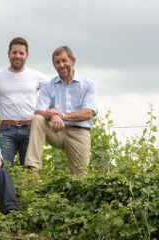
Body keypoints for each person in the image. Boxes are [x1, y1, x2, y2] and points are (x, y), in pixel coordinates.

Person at [25, 46, 97, 176]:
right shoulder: (49, 85)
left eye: (64, 60)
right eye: (57, 62)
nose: (61, 65)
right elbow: (38, 111)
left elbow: (88, 113)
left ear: (73, 61)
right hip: (57, 131)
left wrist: (61, 115)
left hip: (79, 133)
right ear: (54, 65)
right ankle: (32, 169)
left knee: (80, 178)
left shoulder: (88, 84)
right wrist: (52, 115)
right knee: (38, 119)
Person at [0, 37, 48, 166]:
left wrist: (54, 115)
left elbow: (51, 95)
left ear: (27, 55)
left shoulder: (37, 76)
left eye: (21, 53)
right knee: (2, 168)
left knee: (30, 170)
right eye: (14, 52)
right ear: (8, 54)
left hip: (31, 129)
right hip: (7, 130)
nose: (18, 56)